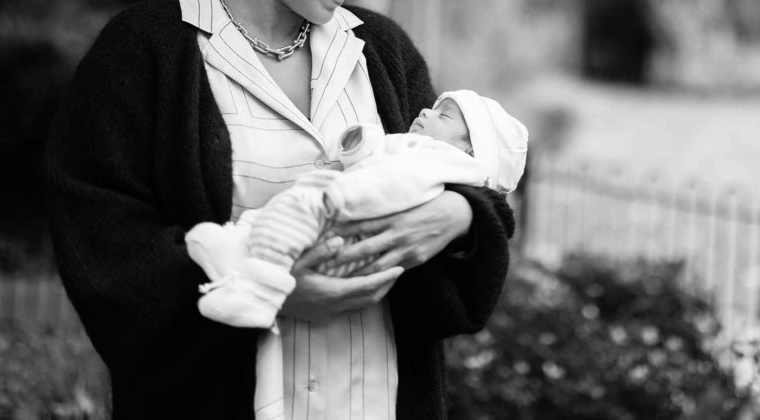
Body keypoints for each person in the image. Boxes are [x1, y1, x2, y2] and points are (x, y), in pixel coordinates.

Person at [43, 0, 515, 420]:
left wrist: (463, 221)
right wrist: (276, 293)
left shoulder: (383, 52)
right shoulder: (143, 53)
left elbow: (455, 174)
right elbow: (105, 252)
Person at [186, 91, 528, 420]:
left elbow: (396, 187)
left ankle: (258, 288)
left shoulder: (441, 165)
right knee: (274, 219)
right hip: (339, 205)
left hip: (347, 223)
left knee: (288, 219)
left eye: (443, 115)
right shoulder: (417, 148)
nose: (425, 112)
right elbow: (374, 155)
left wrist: (343, 198)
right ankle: (236, 254)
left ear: (468, 148)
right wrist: (358, 143)